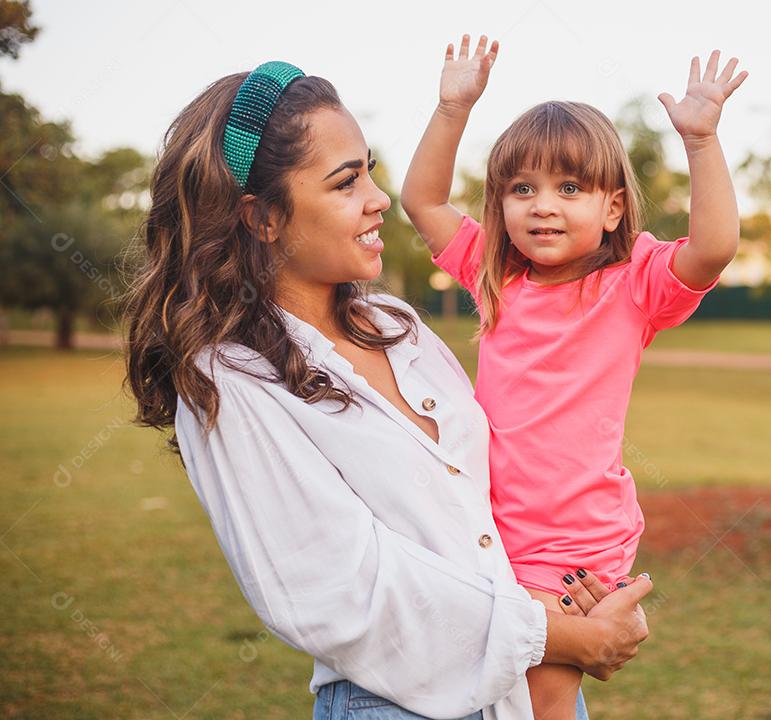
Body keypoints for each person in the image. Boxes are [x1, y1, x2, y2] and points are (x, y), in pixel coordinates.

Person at [123, 60, 652, 720]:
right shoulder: (230, 379)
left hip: (521, 690)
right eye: (347, 183)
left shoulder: (396, 327)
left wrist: (577, 591)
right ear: (261, 218)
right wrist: (566, 637)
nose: (378, 198)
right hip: (398, 704)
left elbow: (485, 512)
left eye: (370, 171)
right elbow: (338, 592)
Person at [401, 36, 747, 719]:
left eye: (569, 188)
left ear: (612, 208)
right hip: (487, 527)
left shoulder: (633, 285)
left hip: (572, 535)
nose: (542, 206)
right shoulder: (495, 274)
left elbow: (713, 247)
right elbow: (421, 199)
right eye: (521, 189)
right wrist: (452, 108)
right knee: (495, 692)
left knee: (545, 697)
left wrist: (702, 142)